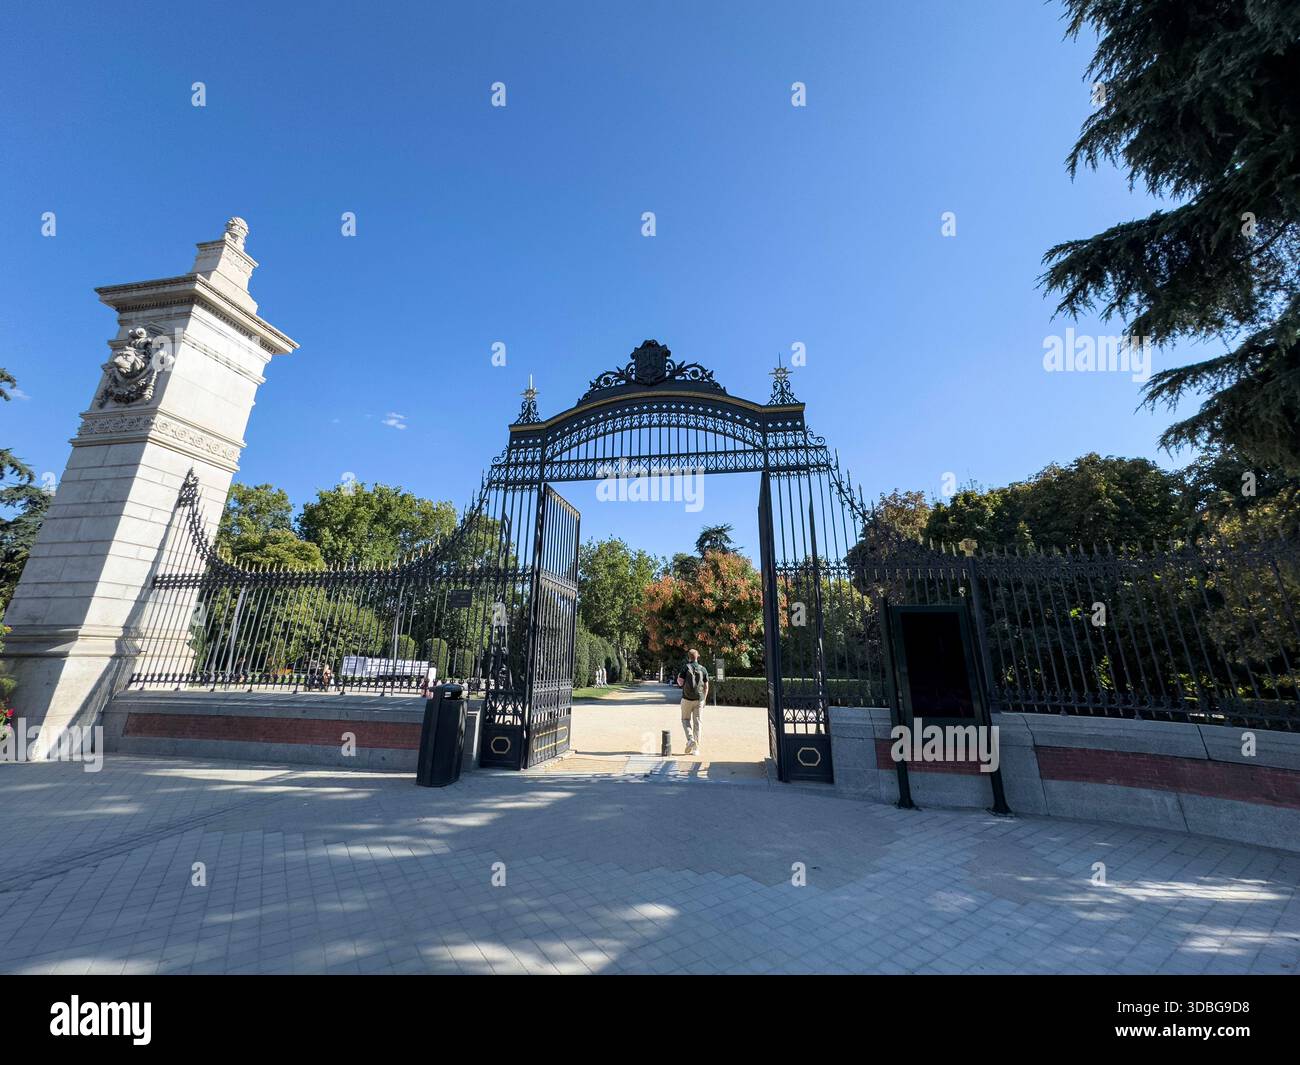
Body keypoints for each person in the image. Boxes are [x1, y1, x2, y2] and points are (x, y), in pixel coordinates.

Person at [675, 648, 709, 756]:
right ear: (697, 656)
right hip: (699, 699)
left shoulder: (685, 667)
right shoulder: (703, 669)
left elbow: (680, 683)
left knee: (685, 720)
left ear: (688, 657)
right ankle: (696, 749)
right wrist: (704, 699)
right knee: (698, 723)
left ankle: (690, 739)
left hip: (686, 698)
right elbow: (706, 686)